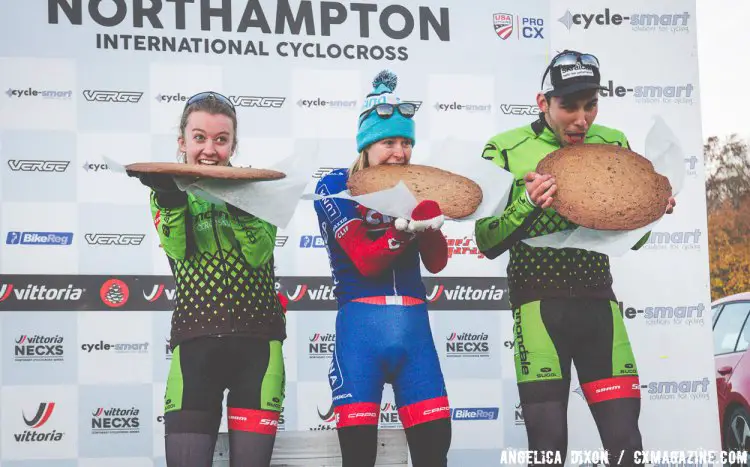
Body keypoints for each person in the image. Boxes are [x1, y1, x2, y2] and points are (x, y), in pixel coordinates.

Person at [474, 50, 676, 466]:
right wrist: (526, 203)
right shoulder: (505, 148)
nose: (582, 119)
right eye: (568, 106)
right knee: (548, 451)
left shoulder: (613, 143)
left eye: (591, 105)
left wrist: (650, 211)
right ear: (542, 102)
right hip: (538, 306)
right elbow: (486, 240)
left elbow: (632, 241)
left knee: (627, 447)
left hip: (599, 303)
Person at [128, 91, 287, 467]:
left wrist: (236, 199)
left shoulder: (257, 188)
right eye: (199, 137)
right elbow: (178, 250)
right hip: (194, 348)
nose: (210, 149)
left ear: (233, 144)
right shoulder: (164, 190)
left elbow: (259, 252)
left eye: (221, 139)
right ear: (182, 142)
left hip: (258, 347)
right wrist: (170, 199)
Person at [312, 70, 452, 467]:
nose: (400, 152)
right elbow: (365, 258)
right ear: (367, 145)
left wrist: (426, 220)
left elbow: (437, 263)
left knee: (435, 448)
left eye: (406, 142)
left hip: (415, 335)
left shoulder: (415, 186)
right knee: (358, 457)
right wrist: (404, 229)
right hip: (361, 335)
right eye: (388, 142)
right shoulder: (335, 185)